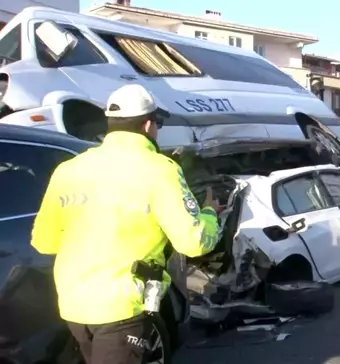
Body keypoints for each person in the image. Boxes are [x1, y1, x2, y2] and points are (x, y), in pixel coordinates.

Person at [30, 84, 220, 364]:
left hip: (73, 304)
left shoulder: (68, 170)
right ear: (147, 125)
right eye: (158, 125)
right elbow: (193, 242)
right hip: (122, 306)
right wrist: (209, 214)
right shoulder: (159, 169)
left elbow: (43, 242)